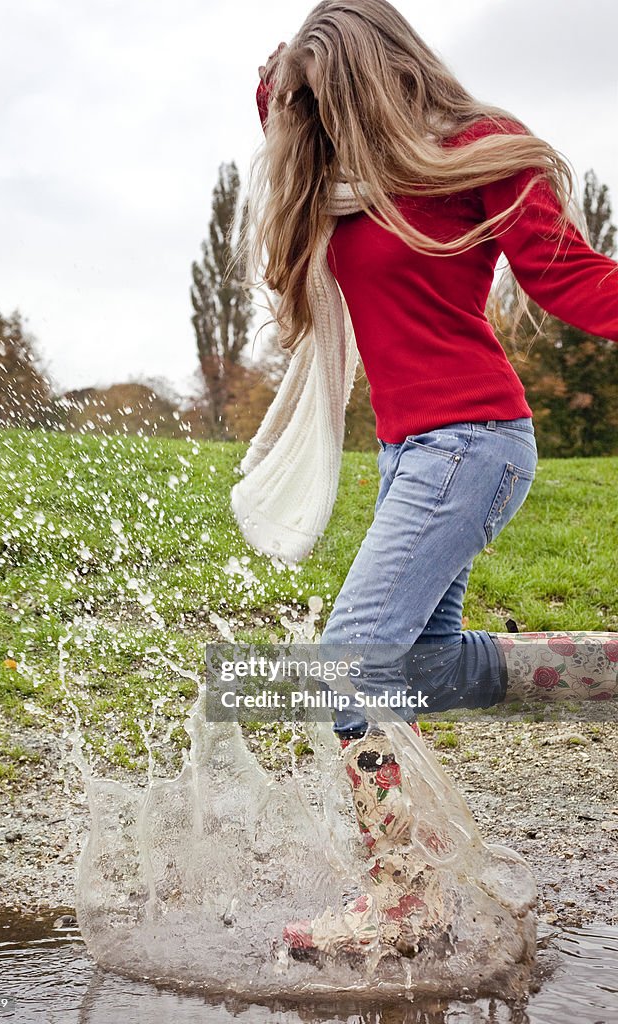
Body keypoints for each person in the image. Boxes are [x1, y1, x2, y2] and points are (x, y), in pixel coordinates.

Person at [240, 0, 618, 958]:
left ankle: (402, 896)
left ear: (376, 78)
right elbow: (276, 110)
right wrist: (283, 73)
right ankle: (604, 667)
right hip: (414, 454)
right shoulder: (342, 177)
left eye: (333, 98)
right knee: (420, 669)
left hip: (472, 441)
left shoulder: (477, 157)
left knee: (347, 662)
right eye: (310, 107)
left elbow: (573, 279)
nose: (317, 122)